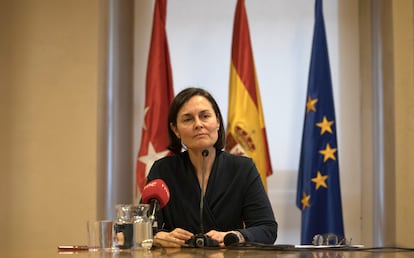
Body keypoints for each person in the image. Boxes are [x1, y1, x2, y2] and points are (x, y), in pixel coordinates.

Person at [146, 87, 277, 247]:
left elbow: (267, 229)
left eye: (205, 116)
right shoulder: (163, 170)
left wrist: (235, 236)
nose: (198, 124)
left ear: (217, 122)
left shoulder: (242, 168)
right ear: (176, 130)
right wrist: (157, 236)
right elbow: (141, 228)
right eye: (188, 119)